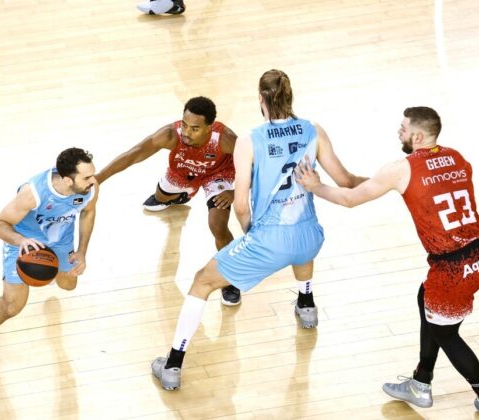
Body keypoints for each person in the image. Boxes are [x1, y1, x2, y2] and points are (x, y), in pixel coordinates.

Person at [151, 69, 367, 390]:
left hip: (269, 239)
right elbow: (347, 182)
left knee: (201, 282)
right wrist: (387, 184)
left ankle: (172, 364)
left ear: (261, 99)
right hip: (310, 236)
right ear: (290, 96)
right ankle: (306, 305)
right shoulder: (314, 130)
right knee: (300, 243)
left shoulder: (249, 141)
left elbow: (240, 205)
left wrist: (253, 234)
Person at [295, 107, 479, 417]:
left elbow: (349, 200)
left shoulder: (400, 168)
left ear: (419, 135)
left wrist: (315, 186)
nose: (399, 132)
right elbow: (377, 186)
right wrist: (360, 184)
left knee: (446, 334)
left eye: (403, 128)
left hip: (452, 268)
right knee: (425, 298)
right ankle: (420, 382)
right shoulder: (457, 157)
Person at [95, 96, 242, 306]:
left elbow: (259, 165)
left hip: (218, 175)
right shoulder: (170, 135)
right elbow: (134, 154)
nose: (187, 133)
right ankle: (183, 194)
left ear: (209, 127)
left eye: (194, 128)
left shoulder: (225, 139)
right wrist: (99, 178)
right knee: (160, 197)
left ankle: (231, 277)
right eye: (184, 125)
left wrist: (235, 193)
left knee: (217, 225)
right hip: (183, 170)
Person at [0, 148, 99, 365]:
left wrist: (82, 251)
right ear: (68, 180)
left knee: (69, 284)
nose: (93, 181)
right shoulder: (34, 193)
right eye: (87, 177)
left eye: (92, 174)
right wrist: (20, 241)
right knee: (14, 305)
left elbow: (88, 211)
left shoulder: (90, 188)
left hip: (60, 240)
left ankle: (50, 270)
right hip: (24, 241)